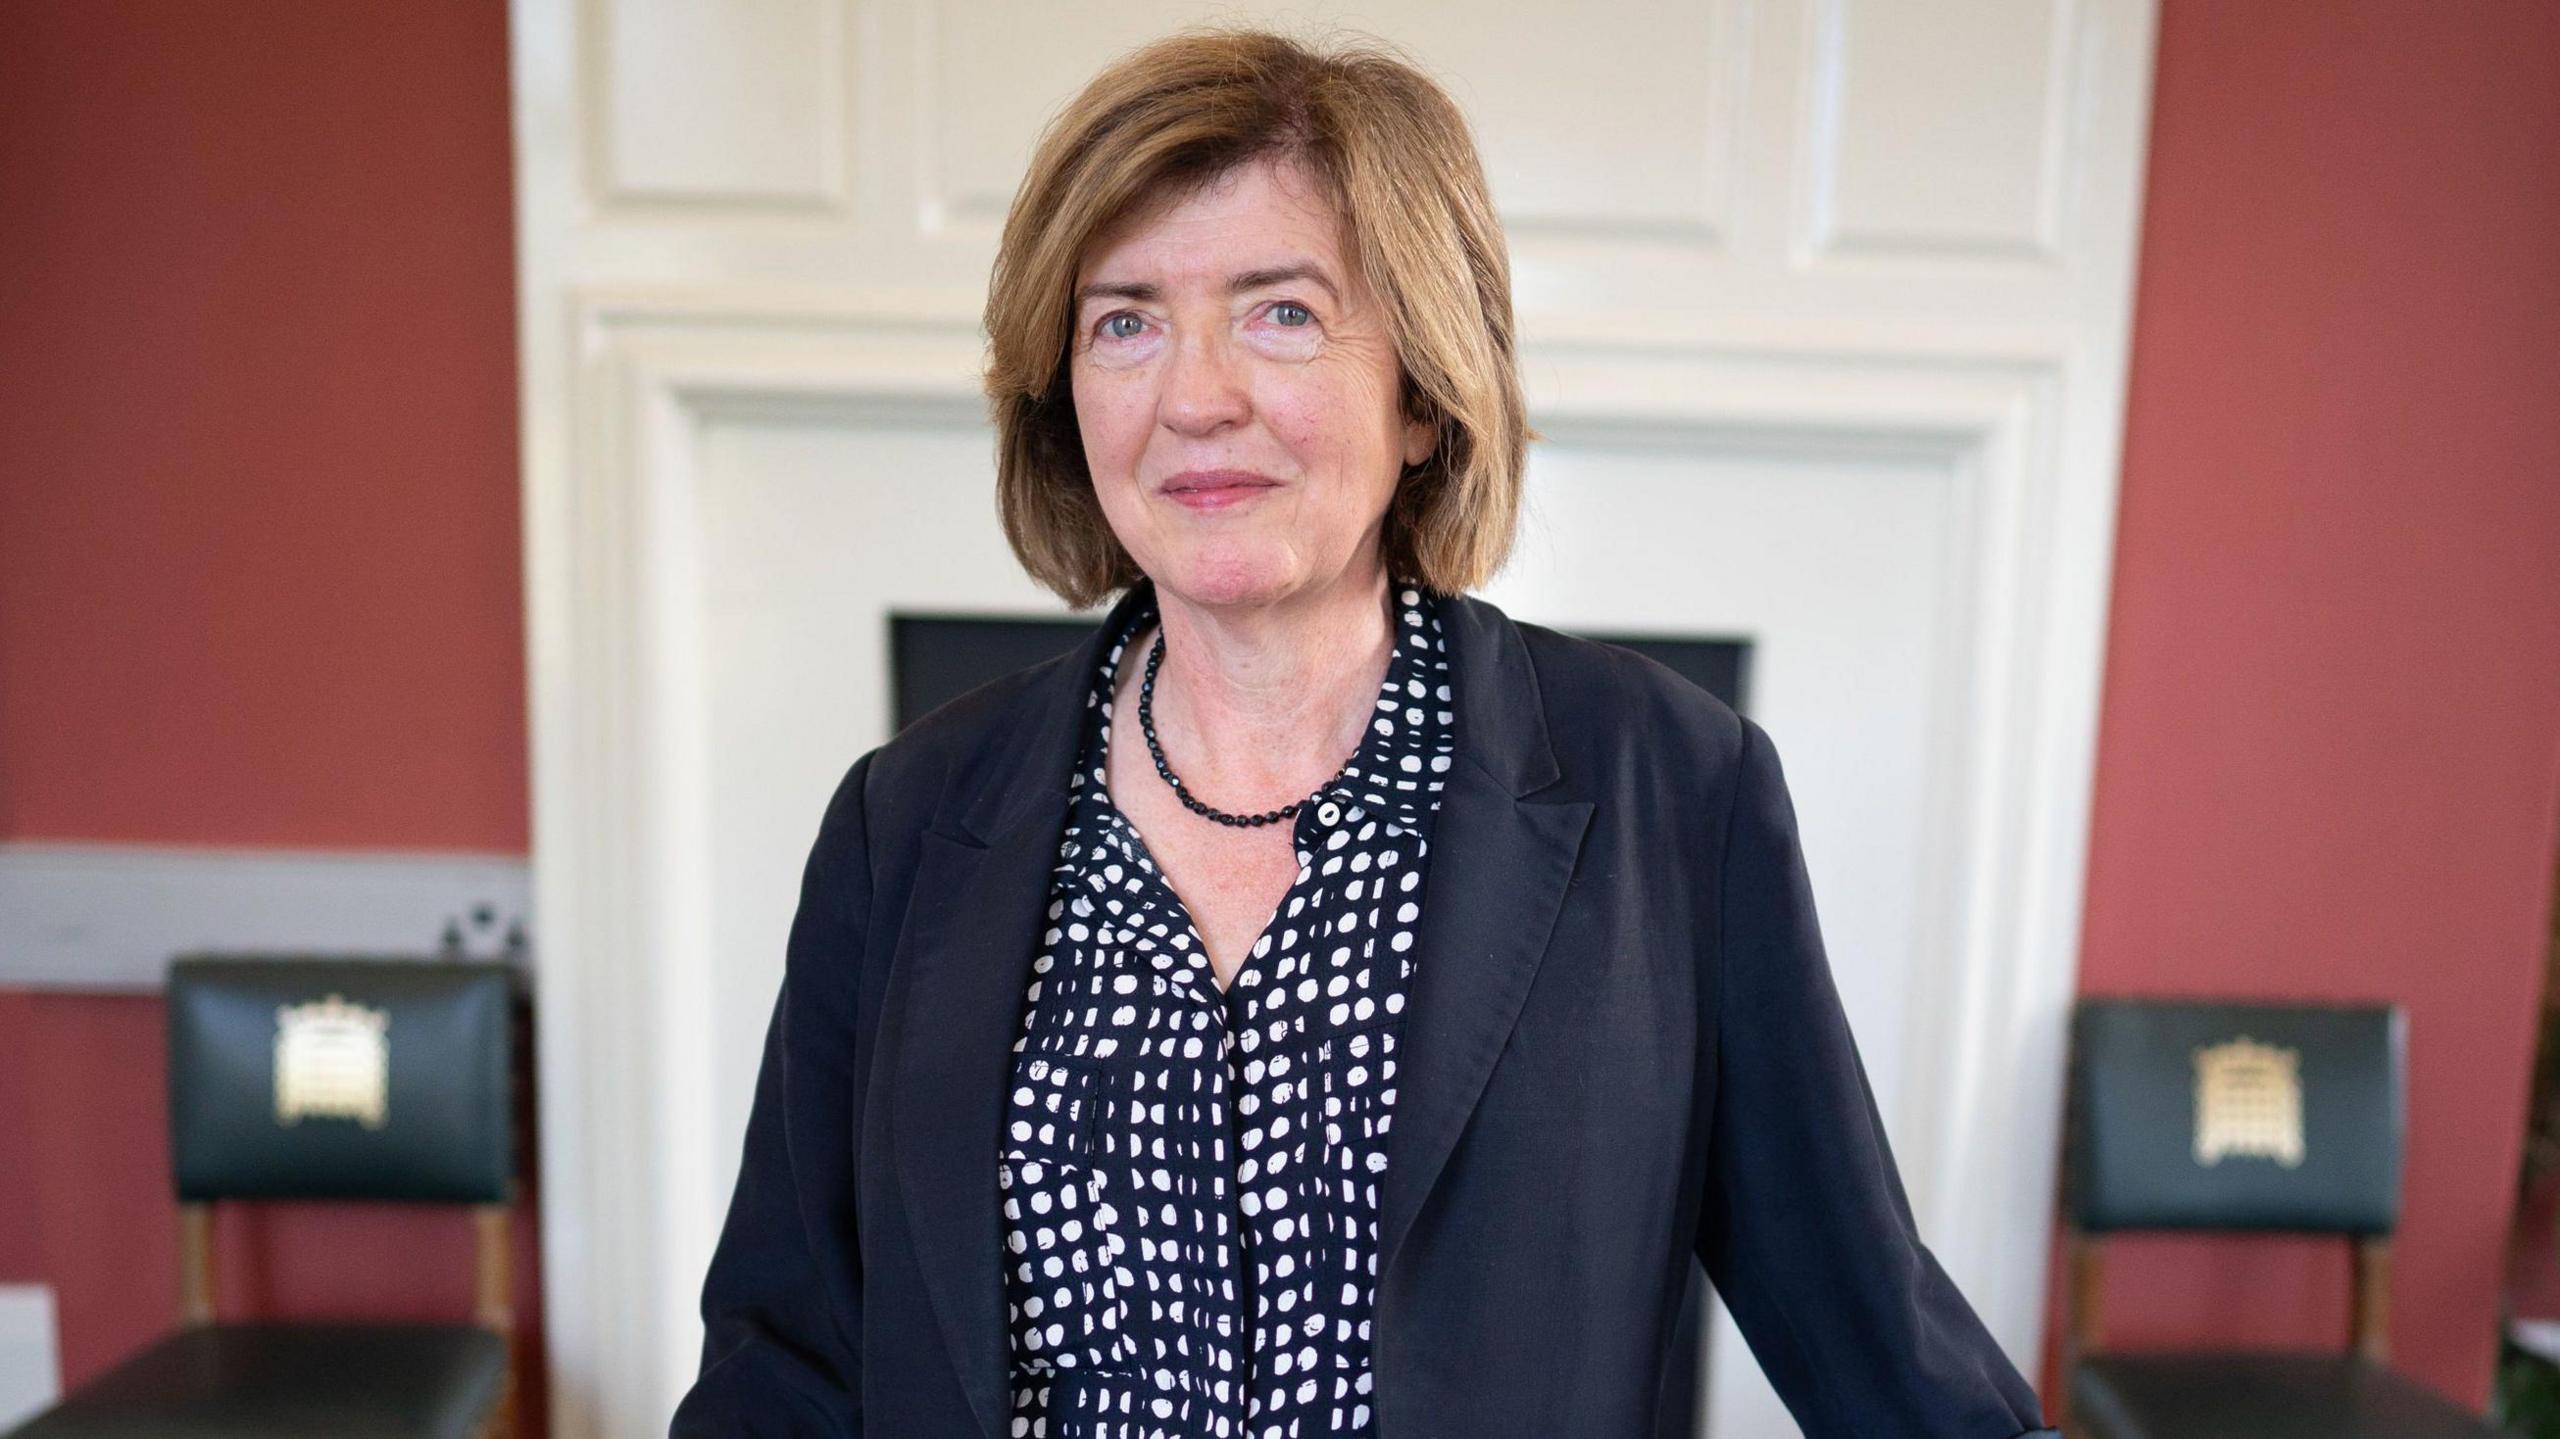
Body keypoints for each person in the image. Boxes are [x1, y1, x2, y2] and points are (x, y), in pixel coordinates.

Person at [670, 24, 2058, 1439]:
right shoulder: (901, 821)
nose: (1195, 396)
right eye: (1125, 320)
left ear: (1421, 391)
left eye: (1281, 312)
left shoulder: (1672, 793)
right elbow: (784, 1365)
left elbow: (1874, 1335)